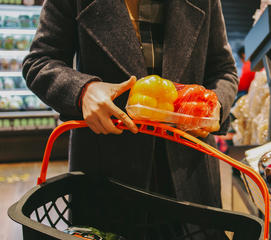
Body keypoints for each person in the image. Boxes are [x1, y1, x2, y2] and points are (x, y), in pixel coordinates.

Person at [22, 0, 239, 209]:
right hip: (106, 174)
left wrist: (215, 106)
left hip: (191, 171)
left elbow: (224, 70)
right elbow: (39, 62)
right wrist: (83, 90)